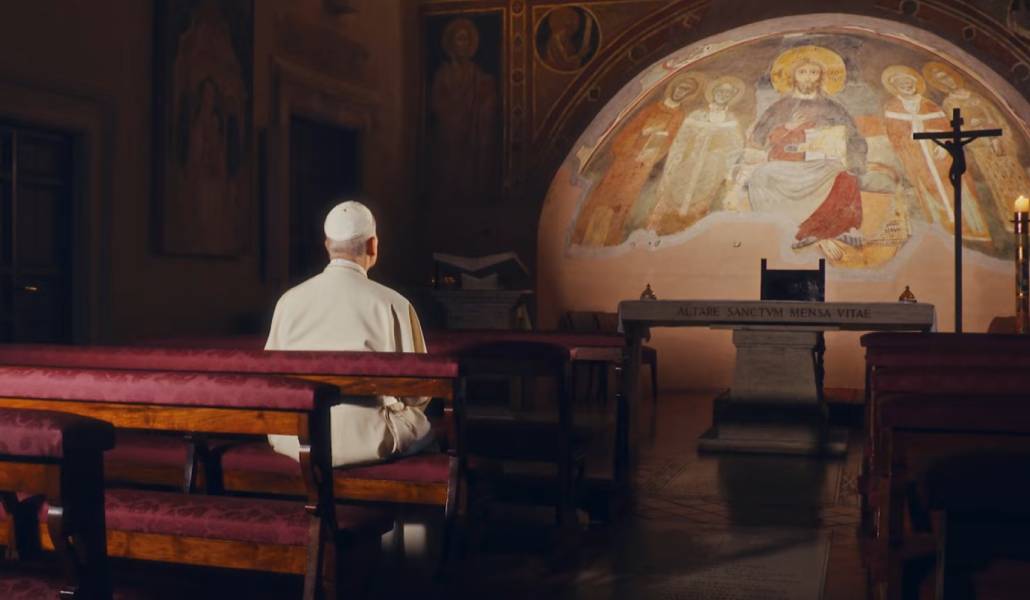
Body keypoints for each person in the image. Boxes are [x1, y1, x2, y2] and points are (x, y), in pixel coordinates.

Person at [266, 200, 433, 467]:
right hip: (369, 438)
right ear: (373, 245)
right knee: (424, 425)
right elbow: (418, 393)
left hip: (296, 436)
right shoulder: (393, 304)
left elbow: (272, 380)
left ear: (327, 246)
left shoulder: (289, 301)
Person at [743, 45, 868, 252]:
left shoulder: (833, 108)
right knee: (761, 175)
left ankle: (838, 230)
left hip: (822, 163)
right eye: (803, 72)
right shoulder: (779, 107)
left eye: (813, 73)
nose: (808, 78)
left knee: (846, 176)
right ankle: (789, 231)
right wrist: (786, 128)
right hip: (785, 164)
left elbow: (855, 138)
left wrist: (849, 155)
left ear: (821, 77)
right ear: (793, 77)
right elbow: (758, 138)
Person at [571, 73, 703, 247]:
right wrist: (641, 136)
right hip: (625, 160)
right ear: (674, 87)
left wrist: (652, 153)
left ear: (688, 95)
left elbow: (668, 141)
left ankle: (608, 240)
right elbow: (627, 132)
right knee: (603, 197)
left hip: (643, 165)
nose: (681, 92)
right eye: (680, 87)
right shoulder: (651, 108)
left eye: (686, 90)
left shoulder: (678, 115)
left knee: (623, 203)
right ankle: (584, 236)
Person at [881, 65, 990, 242]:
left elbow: (947, 128)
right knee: (929, 189)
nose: (907, 85)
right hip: (917, 158)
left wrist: (944, 146)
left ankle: (971, 227)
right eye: (902, 83)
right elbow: (895, 136)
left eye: (909, 81)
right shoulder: (893, 107)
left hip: (940, 156)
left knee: (954, 184)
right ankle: (944, 232)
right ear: (895, 87)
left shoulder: (929, 105)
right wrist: (911, 142)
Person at [924, 60, 1029, 232]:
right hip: (984, 151)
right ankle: (1012, 223)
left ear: (954, 77)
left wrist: (1000, 137)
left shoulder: (976, 96)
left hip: (1001, 145)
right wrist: (980, 134)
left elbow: (999, 119)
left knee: (1019, 181)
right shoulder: (949, 104)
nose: (946, 82)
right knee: (999, 184)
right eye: (940, 81)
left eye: (947, 77)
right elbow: (960, 129)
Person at [647, 75, 745, 235]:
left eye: (728, 93)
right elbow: (679, 142)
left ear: (732, 98)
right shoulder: (696, 115)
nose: (723, 95)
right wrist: (677, 162)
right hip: (687, 166)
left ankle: (688, 238)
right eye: (720, 91)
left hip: (710, 172)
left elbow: (736, 149)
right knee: (670, 200)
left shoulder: (731, 120)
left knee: (699, 206)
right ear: (713, 92)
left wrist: (720, 159)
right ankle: (656, 236)